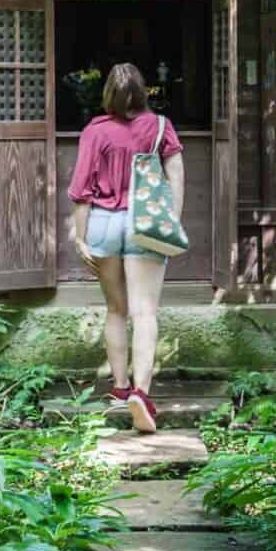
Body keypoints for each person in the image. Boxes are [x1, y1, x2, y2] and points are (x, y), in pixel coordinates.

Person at [68, 62, 185, 434]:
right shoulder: (161, 127)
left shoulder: (95, 131)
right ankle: (142, 393)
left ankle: (119, 389)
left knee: (116, 311)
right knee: (145, 312)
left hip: (103, 223)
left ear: (109, 96)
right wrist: (172, 220)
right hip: (144, 222)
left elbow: (81, 190)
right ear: (143, 91)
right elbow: (176, 176)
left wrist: (80, 237)